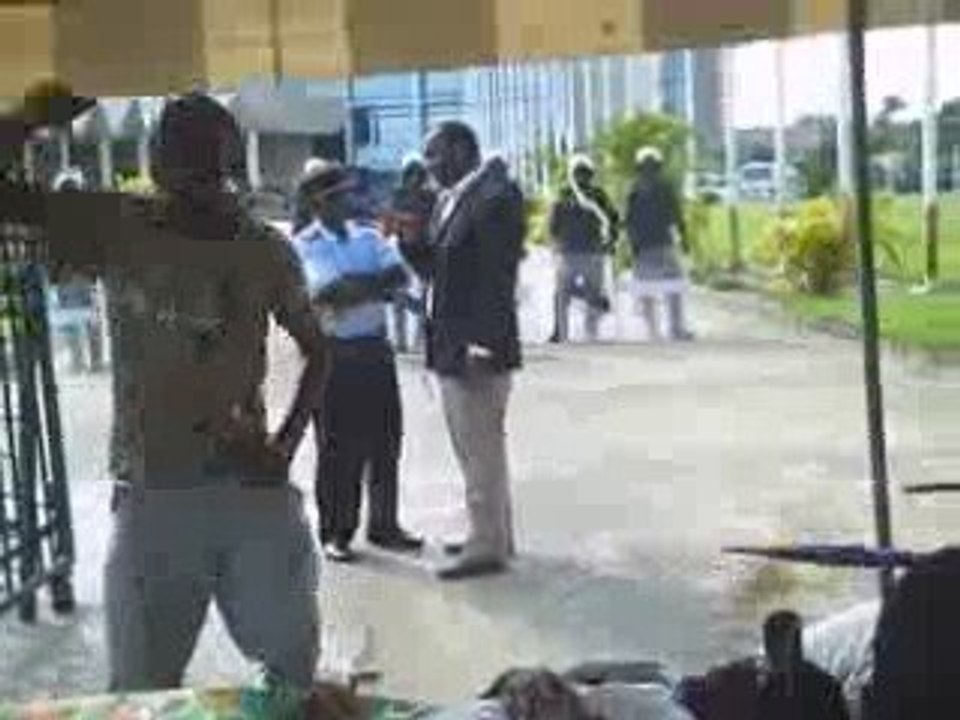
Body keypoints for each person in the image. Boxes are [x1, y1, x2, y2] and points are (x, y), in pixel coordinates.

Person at [93, 94, 328, 691]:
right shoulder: (118, 231)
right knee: (140, 688)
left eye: (205, 158)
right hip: (156, 487)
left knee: (292, 673)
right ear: (157, 161)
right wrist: (28, 123)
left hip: (241, 485)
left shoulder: (261, 248)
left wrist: (283, 448)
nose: (193, 172)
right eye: (182, 153)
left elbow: (319, 349)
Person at [401, 121, 524, 581]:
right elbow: (440, 269)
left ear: (460, 150)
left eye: (434, 154)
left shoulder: (494, 197)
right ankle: (492, 533)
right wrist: (410, 239)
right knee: (477, 449)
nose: (428, 165)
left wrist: (481, 342)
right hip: (451, 342)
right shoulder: (453, 199)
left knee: (479, 449)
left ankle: (487, 545)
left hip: (475, 347)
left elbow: (495, 276)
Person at [293, 161, 423, 563]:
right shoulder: (304, 245)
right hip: (335, 354)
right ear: (315, 202)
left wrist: (357, 287)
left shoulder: (368, 236)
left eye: (344, 193)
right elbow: (328, 293)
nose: (343, 201)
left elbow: (399, 276)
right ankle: (336, 531)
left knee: (385, 440)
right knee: (337, 447)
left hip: (374, 348)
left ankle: (384, 524)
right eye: (333, 196)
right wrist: (373, 286)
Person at [548, 154, 619, 344]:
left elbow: (612, 219)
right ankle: (561, 331)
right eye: (579, 173)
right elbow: (553, 226)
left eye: (584, 173)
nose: (582, 177)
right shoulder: (565, 196)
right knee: (565, 293)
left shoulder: (596, 196)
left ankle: (588, 330)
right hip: (574, 253)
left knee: (576, 292)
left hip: (587, 253)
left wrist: (611, 242)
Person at [625, 147, 694, 342]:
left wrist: (630, 248)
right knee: (674, 286)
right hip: (663, 244)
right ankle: (676, 329)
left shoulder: (634, 189)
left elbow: (628, 222)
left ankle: (652, 331)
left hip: (642, 248)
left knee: (646, 289)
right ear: (659, 167)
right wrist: (685, 240)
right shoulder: (665, 187)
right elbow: (677, 216)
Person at [49, 168, 105, 373]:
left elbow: (52, 248)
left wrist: (54, 275)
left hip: (67, 273)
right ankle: (94, 361)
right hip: (83, 272)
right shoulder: (87, 215)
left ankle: (78, 361)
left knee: (71, 318)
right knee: (89, 318)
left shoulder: (55, 216)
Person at [758, 610, 850, 720]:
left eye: (780, 644)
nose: (777, 651)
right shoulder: (827, 686)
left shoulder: (826, 688)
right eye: (773, 645)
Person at [388, 154, 436, 353]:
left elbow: (435, 220)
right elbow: (391, 219)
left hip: (425, 251)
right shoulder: (398, 195)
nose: (415, 178)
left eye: (418, 174)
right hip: (402, 249)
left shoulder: (430, 196)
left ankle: (421, 339)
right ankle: (400, 340)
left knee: (426, 294)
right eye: (411, 174)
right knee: (399, 294)